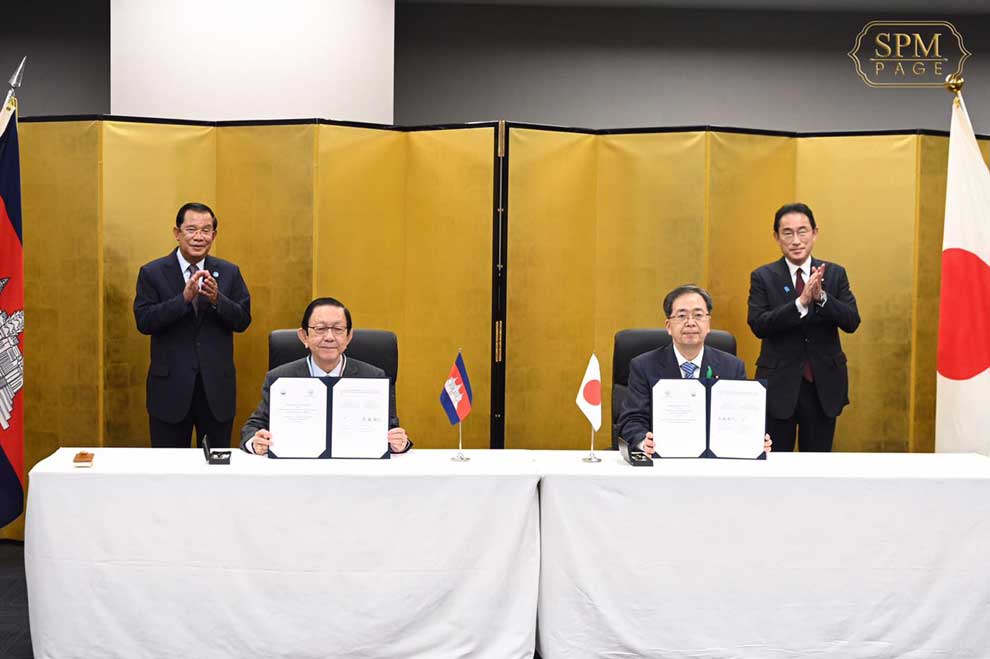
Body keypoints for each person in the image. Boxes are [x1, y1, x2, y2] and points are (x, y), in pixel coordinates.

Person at [134, 202, 251, 448]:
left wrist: (218, 299)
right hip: (170, 391)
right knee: (169, 472)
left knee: (216, 472)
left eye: (206, 230)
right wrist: (183, 299)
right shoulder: (152, 272)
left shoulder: (229, 272)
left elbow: (242, 320)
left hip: (216, 391)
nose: (199, 237)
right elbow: (144, 322)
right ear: (177, 233)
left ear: (214, 235)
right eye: (191, 229)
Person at [747, 202, 860, 452]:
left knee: (817, 467)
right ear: (777, 237)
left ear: (815, 233)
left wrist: (821, 298)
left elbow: (852, 321)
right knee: (776, 464)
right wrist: (800, 303)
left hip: (823, 386)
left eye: (803, 231)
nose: (796, 240)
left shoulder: (835, 274)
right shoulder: (763, 277)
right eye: (788, 233)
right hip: (779, 386)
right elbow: (759, 324)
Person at [241, 297, 411, 456]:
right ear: (304, 336)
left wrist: (399, 443)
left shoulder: (373, 377)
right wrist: (254, 442)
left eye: (338, 329)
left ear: (348, 337)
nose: (329, 337)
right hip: (298, 471)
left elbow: (391, 430)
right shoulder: (279, 378)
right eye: (320, 329)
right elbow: (252, 428)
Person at [617, 284, 771, 456]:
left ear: (708, 323)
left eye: (698, 315)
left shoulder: (732, 367)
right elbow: (631, 420)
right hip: (663, 460)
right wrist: (642, 441)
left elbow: (741, 418)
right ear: (668, 326)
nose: (690, 323)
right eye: (682, 316)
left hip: (714, 463)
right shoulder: (643, 366)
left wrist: (753, 439)